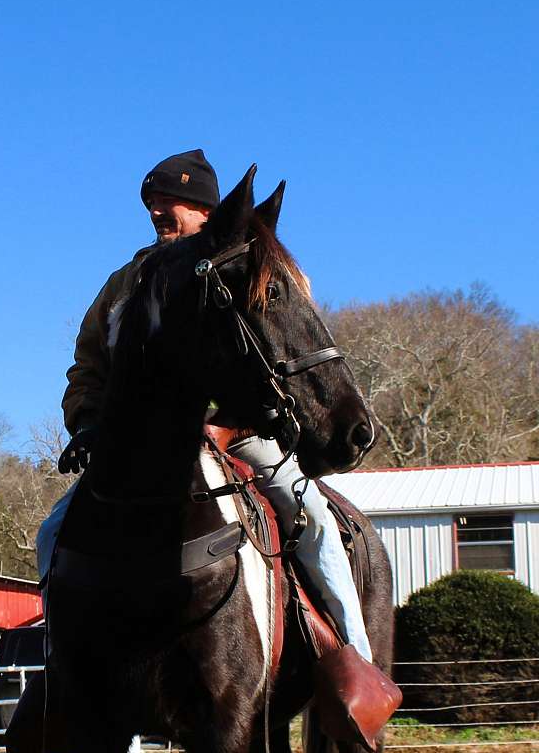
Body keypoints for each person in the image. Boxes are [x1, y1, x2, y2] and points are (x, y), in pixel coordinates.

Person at [37, 148, 373, 663]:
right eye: (150, 201)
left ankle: (355, 665)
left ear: (205, 211)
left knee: (316, 519)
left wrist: (237, 420)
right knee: (53, 533)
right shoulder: (125, 282)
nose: (155, 211)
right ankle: (63, 674)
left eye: (168, 200)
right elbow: (88, 364)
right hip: (137, 445)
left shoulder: (244, 265)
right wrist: (86, 423)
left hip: (238, 436)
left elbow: (271, 354)